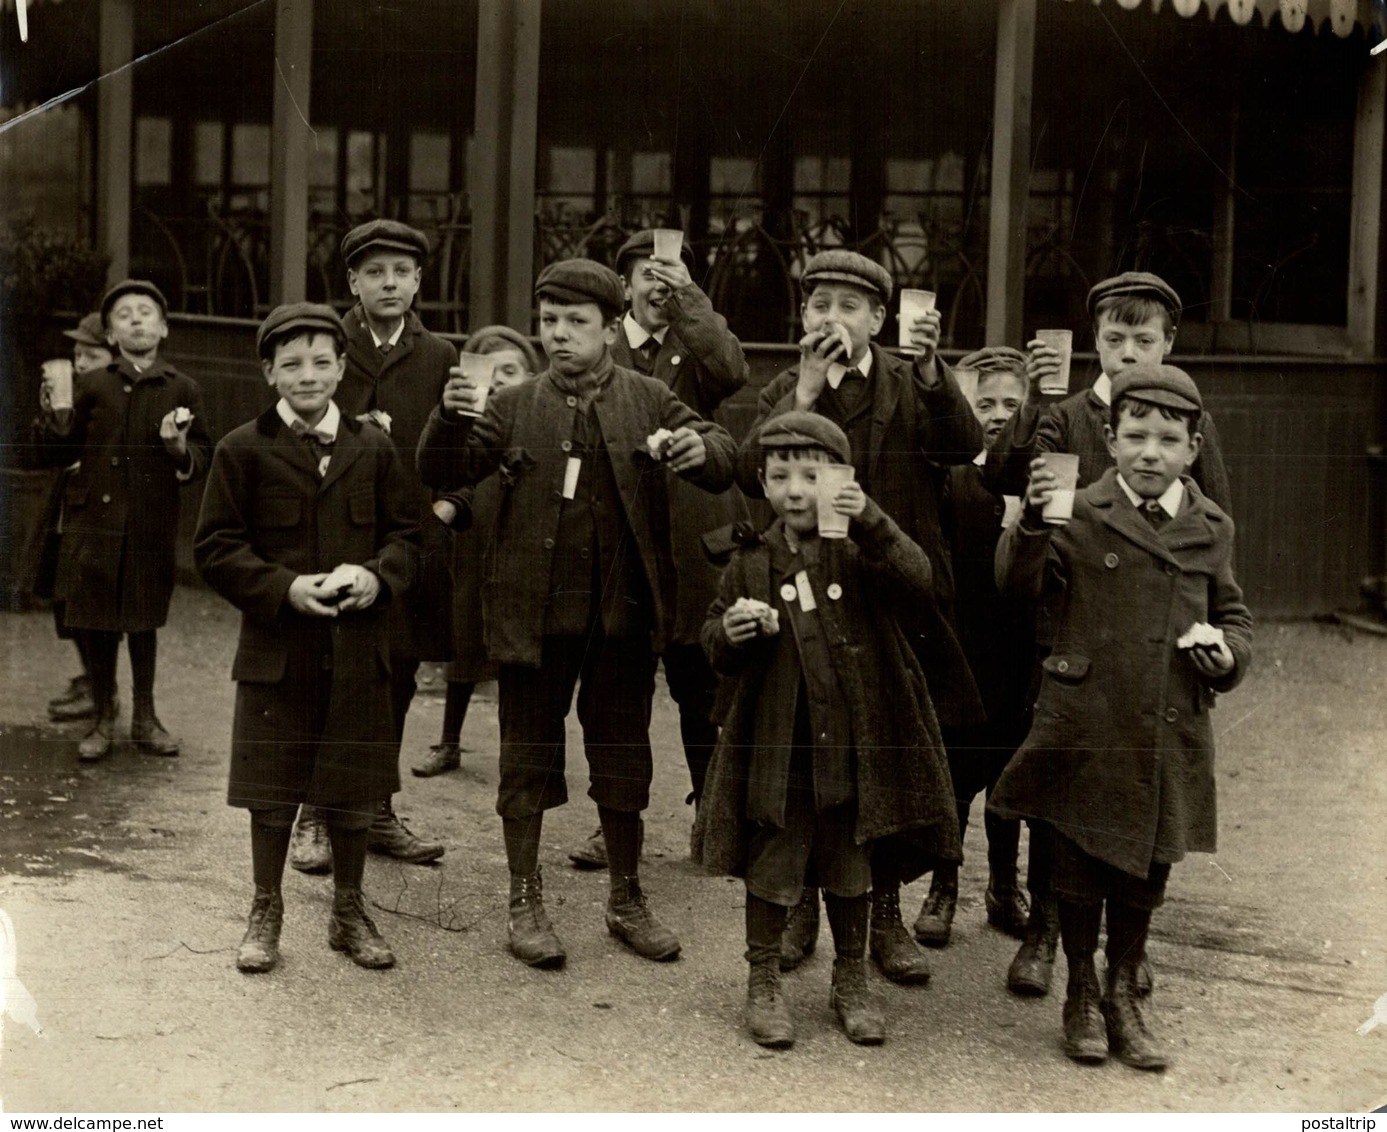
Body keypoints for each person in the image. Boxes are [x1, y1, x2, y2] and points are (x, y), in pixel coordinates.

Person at [417, 258, 736, 969]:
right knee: (525, 756)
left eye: (576, 323)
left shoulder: (650, 398)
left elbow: (723, 455)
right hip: (531, 617)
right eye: (549, 322)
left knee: (623, 755)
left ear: (611, 330)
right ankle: (524, 899)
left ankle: (625, 897)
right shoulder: (512, 404)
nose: (559, 335)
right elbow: (444, 469)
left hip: (620, 620)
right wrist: (446, 416)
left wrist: (699, 447)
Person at [989, 363, 1252, 1070]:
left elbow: (1232, 616)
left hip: (1166, 722)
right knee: (1076, 862)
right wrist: (1031, 521)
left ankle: (1120, 996)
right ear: (1109, 438)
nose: (1148, 452)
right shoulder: (1077, 509)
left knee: (1145, 873)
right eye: (1134, 435)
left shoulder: (1209, 528)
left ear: (1192, 449)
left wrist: (1225, 655)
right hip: (1088, 714)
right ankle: (1078, 990)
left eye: (1167, 440)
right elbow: (1016, 586)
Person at [741, 250, 984, 985]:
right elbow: (755, 473)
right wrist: (806, 396)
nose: (831, 320)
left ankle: (884, 912)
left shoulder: (913, 382)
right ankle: (808, 905)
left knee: (893, 752)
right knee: (817, 751)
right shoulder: (789, 386)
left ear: (878, 319)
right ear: (801, 317)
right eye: (819, 306)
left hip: (897, 593)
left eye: (849, 307)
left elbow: (963, 446)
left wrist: (938, 372)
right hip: (812, 591)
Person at [694, 411, 959, 1049]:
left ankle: (850, 980)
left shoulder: (860, 552)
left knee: (849, 863)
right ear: (761, 481)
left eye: (810, 475)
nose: (794, 489)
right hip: (777, 746)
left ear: (838, 480)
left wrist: (870, 518)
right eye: (780, 475)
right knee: (773, 861)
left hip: (851, 745)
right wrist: (729, 633)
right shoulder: (751, 561)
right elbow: (710, 637)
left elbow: (921, 581)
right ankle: (762, 982)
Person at [194, 303, 418, 974]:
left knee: (350, 790)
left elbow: (407, 538)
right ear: (268, 372)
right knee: (271, 790)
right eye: (290, 363)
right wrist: (285, 589)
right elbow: (215, 548)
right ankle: (266, 908)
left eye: (322, 362)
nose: (308, 375)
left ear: (343, 368)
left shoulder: (373, 447)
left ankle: (348, 911)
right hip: (276, 653)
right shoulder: (241, 450)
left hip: (357, 652)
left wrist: (377, 579)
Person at [569, 227, 749, 869]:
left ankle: (712, 815)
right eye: (648, 271)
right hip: (622, 548)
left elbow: (733, 371)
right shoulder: (601, 346)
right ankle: (614, 822)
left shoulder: (698, 348)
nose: (659, 283)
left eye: (672, 271)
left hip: (693, 547)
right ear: (623, 286)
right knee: (618, 691)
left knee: (703, 688)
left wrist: (693, 305)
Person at [289, 219, 453, 873]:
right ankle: (312, 814)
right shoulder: (324, 345)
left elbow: (453, 454)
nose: (389, 283)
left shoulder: (440, 355)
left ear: (417, 282)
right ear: (352, 281)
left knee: (397, 678)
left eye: (401, 272)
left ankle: (376, 808)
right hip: (333, 535)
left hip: (407, 544)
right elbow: (287, 425)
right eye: (375, 272)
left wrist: (447, 504)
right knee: (328, 674)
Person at [35, 280, 212, 762]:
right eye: (124, 315)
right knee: (96, 621)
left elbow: (205, 454)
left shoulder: (182, 388)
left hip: (148, 524)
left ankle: (146, 716)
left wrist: (179, 449)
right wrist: (52, 415)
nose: (136, 319)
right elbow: (60, 450)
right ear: (111, 335)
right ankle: (102, 716)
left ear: (164, 328)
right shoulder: (93, 384)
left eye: (145, 312)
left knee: (142, 621)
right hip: (94, 522)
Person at [913, 348, 1034, 948]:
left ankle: (1006, 887)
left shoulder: (1038, 477)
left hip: (1017, 651)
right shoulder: (953, 473)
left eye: (1012, 404)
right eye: (983, 403)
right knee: (956, 772)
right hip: (962, 646)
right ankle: (944, 885)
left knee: (1010, 775)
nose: (997, 415)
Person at [984, 271, 1230, 508]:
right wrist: (1029, 403)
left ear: (1168, 341)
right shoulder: (1066, 418)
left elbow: (1216, 523)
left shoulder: (1194, 423)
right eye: (1115, 339)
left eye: (1144, 341)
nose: (1128, 354)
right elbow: (1005, 480)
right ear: (1096, 338)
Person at [411, 325, 540, 777]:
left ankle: (516, 749)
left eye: (512, 370)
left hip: (525, 547)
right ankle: (448, 741)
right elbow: (454, 474)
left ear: (530, 374)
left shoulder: (539, 422)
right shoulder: (469, 428)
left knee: (518, 650)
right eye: (493, 372)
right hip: (475, 543)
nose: (502, 380)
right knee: (466, 636)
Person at [35, 313, 114, 725]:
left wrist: (65, 416)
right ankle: (89, 676)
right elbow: (50, 452)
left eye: (91, 354)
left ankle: (105, 689)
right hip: (66, 507)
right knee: (62, 596)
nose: (80, 362)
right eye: (77, 353)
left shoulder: (110, 400)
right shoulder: (77, 394)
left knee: (87, 600)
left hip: (97, 512)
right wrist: (51, 413)